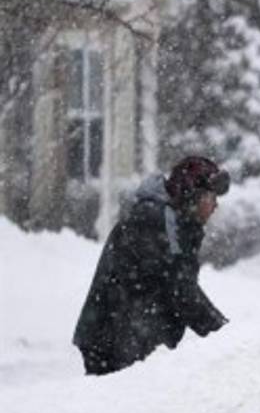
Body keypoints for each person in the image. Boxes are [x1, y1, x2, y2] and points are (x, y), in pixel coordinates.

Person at [73, 156, 231, 375]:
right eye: (211, 197)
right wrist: (224, 334)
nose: (215, 205)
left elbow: (178, 286)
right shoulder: (157, 221)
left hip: (125, 337)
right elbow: (180, 288)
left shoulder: (174, 220)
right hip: (117, 341)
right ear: (193, 196)